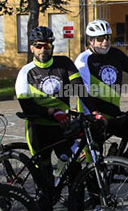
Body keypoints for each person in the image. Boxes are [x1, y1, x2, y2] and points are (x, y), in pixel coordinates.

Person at [17, 26, 84, 174]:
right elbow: (27, 107)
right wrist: (52, 112)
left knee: (75, 169)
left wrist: (93, 111)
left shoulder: (64, 63)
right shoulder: (25, 72)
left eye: (46, 46)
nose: (43, 50)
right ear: (31, 48)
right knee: (44, 174)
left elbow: (80, 89)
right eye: (38, 46)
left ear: (52, 47)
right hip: (39, 129)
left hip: (62, 128)